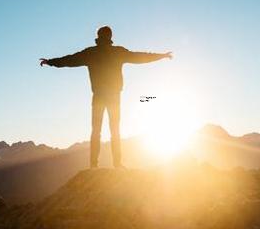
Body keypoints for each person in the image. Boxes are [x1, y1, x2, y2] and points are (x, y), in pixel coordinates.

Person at [40, 26, 172, 168]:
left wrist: (50, 62)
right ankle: (117, 163)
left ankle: (93, 165)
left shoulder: (91, 53)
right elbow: (140, 57)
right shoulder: (117, 52)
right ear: (110, 36)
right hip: (114, 96)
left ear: (98, 36)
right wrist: (162, 56)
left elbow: (69, 60)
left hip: (98, 96)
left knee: (96, 131)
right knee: (115, 130)